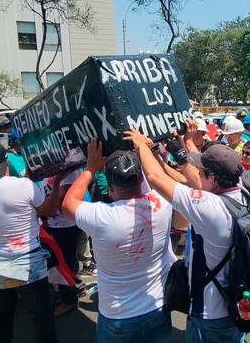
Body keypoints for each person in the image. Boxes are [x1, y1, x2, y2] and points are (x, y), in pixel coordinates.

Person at [123, 127, 245, 342]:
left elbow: (154, 178)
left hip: (210, 313)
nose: (195, 172)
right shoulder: (242, 190)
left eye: (200, 170)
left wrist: (141, 145)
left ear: (213, 177)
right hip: (235, 300)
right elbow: (195, 183)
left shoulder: (210, 207)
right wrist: (169, 150)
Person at [61, 139, 175, 342]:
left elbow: (68, 203)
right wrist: (146, 152)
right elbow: (157, 177)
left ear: (110, 189)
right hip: (158, 306)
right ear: (141, 180)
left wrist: (89, 169)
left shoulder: (101, 217)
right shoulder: (162, 203)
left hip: (119, 316)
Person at [0, 141, 62, 343]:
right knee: (41, 313)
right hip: (29, 262)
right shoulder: (23, 186)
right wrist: (57, 185)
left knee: (3, 312)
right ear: (6, 162)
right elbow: (48, 211)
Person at [40, 168, 82, 317]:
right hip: (52, 223)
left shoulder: (70, 170)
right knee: (59, 262)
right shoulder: (50, 169)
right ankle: (68, 292)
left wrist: (44, 208)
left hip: (65, 225)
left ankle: (69, 300)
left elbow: (63, 200)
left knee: (65, 264)